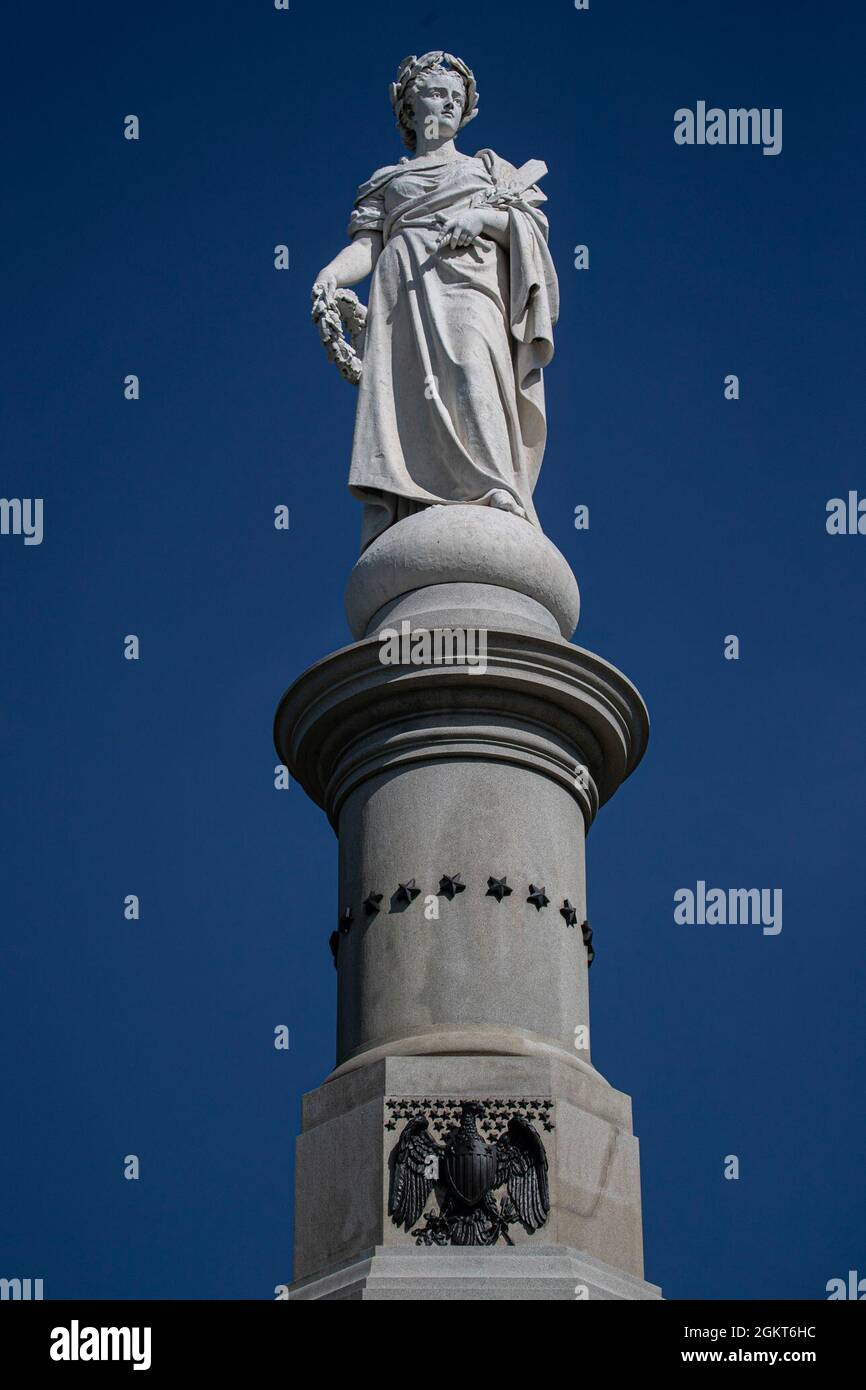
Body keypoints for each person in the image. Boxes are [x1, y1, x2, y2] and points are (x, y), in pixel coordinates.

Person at [312, 51, 559, 551]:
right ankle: (418, 504)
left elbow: (530, 226)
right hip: (400, 296)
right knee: (408, 397)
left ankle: (495, 486)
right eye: (437, 93)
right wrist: (330, 276)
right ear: (409, 105)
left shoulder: (489, 169)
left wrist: (481, 220)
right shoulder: (388, 182)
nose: (448, 104)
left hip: (469, 285)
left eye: (457, 98)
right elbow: (367, 247)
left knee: (473, 370)